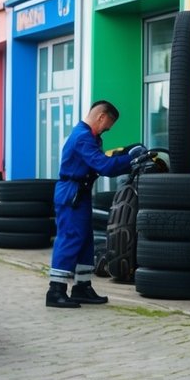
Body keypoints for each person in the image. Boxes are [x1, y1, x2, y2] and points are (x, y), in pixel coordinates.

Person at [47, 100, 146, 308]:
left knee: (84, 240)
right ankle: (55, 291)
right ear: (101, 117)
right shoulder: (83, 137)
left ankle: (82, 287)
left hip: (79, 193)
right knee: (70, 238)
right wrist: (131, 160)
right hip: (71, 194)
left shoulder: (89, 137)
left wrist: (125, 154)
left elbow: (101, 160)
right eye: (108, 125)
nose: (107, 130)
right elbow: (103, 166)